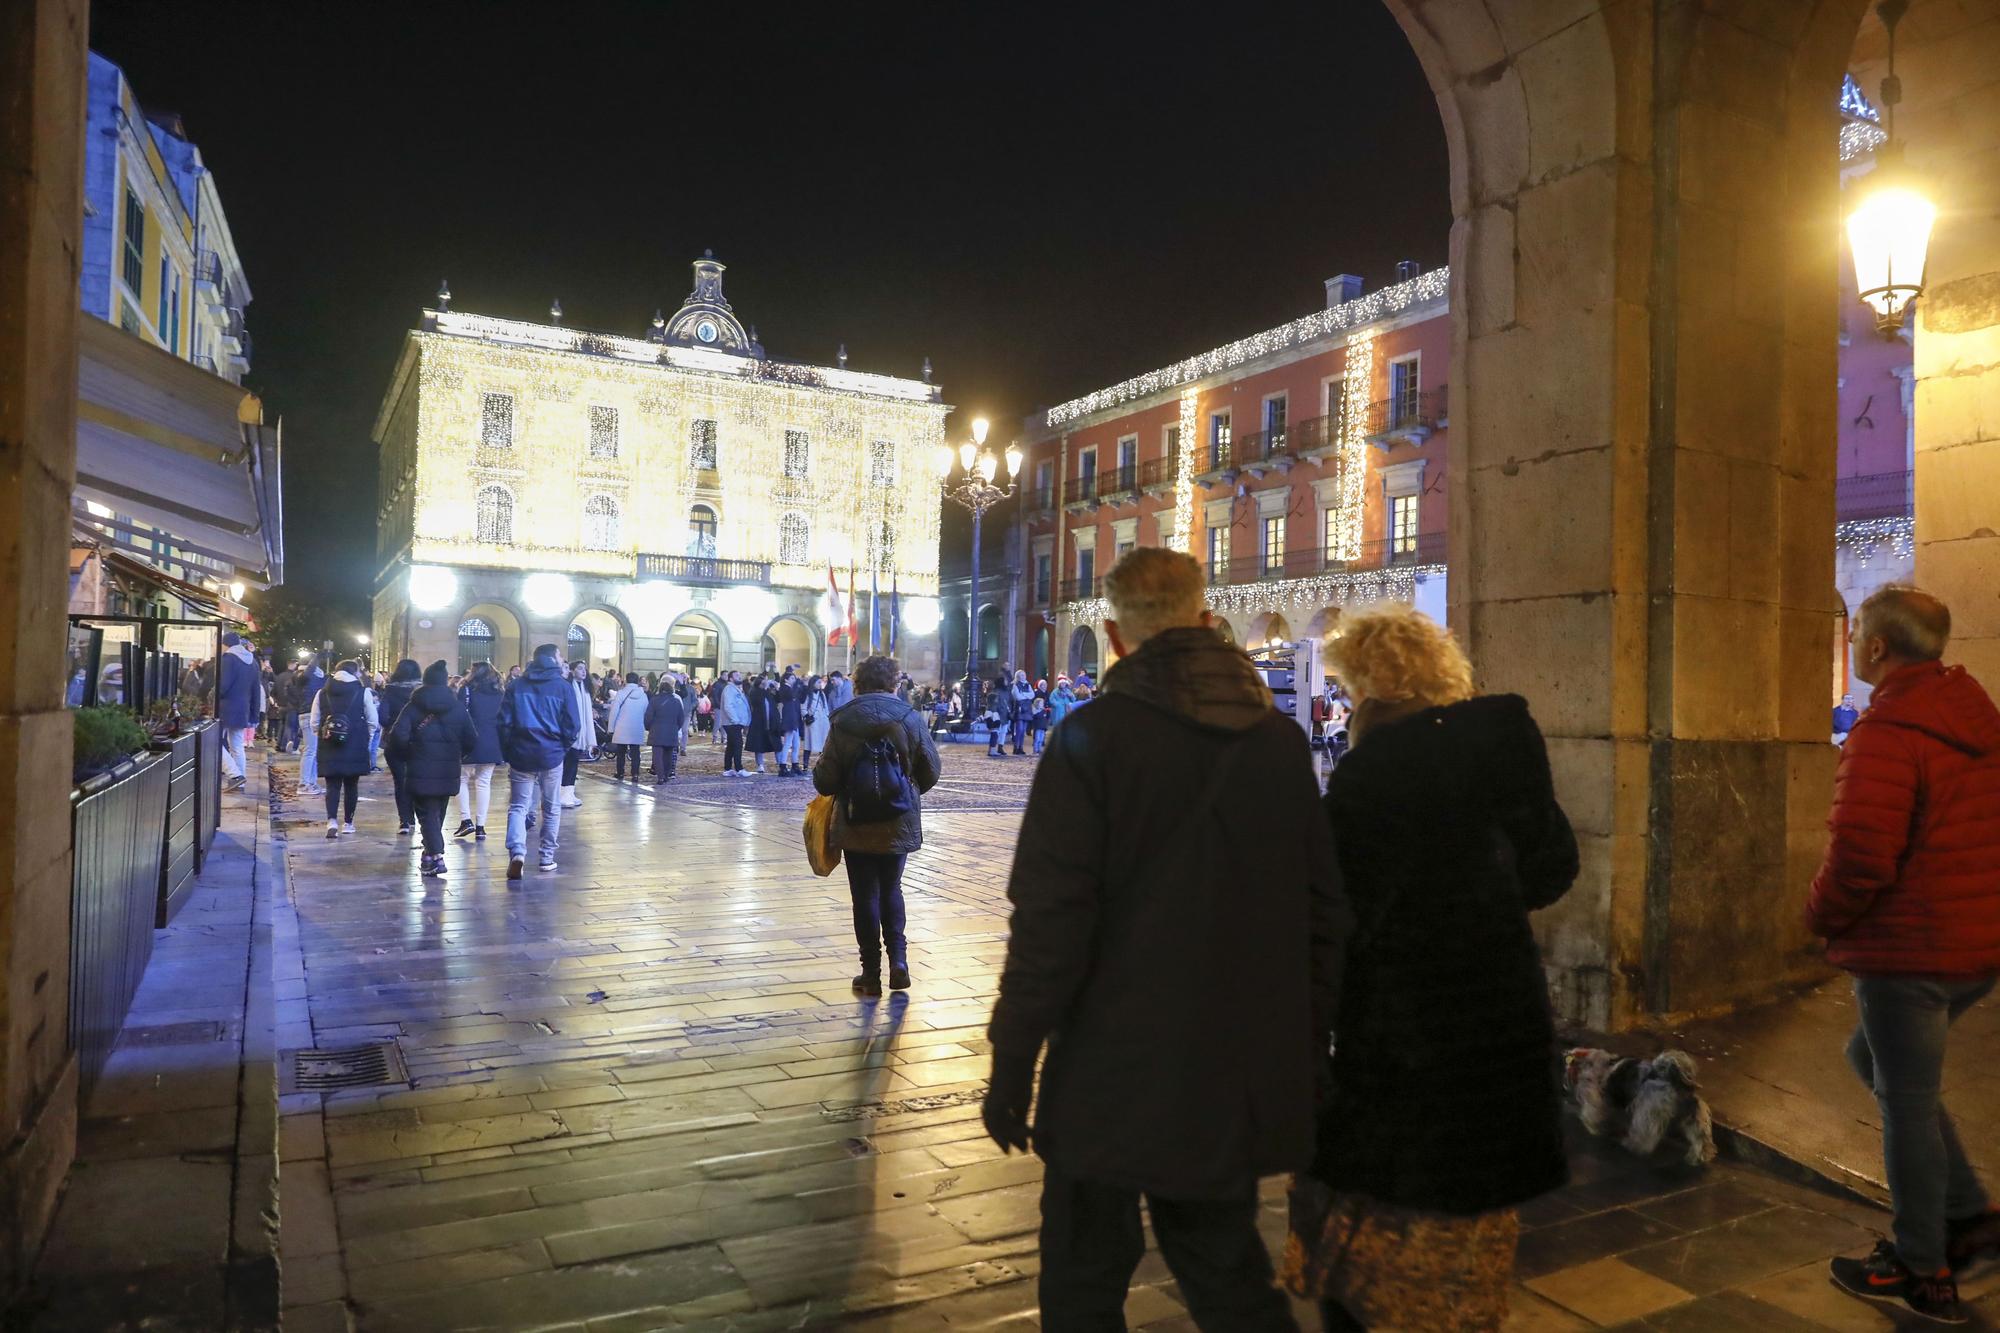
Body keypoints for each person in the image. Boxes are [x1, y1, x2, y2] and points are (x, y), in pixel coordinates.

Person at [983, 548, 1349, 1331]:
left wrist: (1014, 1060)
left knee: (1083, 1278)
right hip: (1230, 1067)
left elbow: (1049, 920)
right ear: (1209, 620)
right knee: (1228, 1273)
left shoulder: (1090, 740)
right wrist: (1304, 1045)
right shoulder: (1281, 746)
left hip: (1107, 1068)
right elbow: (1324, 916)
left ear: (1115, 637)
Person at [1284, 604, 1575, 1333]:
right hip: (1502, 1022)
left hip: (1404, 1037)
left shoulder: (1366, 779)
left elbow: (1331, 923)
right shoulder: (1504, 745)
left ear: (1370, 687)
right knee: (1475, 1228)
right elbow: (1552, 868)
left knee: (1380, 1236)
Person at [1810, 586, 2000, 1323]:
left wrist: (1817, 914)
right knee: (1874, 1061)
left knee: (1907, 1107)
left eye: (1856, 632)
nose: (1853, 642)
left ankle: (1923, 1269)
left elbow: (1860, 855)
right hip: (1974, 946)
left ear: (1879, 648)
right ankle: (1967, 1213)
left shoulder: (1889, 729)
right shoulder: (1974, 717)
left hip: (1911, 950)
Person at [812, 654, 940, 997]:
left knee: (864, 894)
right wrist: (905, 790)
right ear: (893, 682)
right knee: (891, 888)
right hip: (898, 818)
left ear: (858, 683)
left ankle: (870, 974)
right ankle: (899, 961)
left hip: (856, 820)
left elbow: (825, 780)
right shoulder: (909, 717)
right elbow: (931, 770)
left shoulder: (844, 719)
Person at [387, 660, 476, 877]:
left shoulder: (413, 706)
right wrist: (457, 754)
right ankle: (428, 857)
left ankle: (437, 855)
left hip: (420, 766)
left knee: (426, 814)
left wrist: (408, 754)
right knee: (436, 813)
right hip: (448, 769)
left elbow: (397, 735)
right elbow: (471, 738)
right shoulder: (456, 706)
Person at [499, 643, 580, 879]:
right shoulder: (562, 687)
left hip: (521, 752)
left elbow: (503, 722)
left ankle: (517, 852)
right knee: (551, 806)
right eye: (560, 655)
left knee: (518, 806)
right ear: (553, 659)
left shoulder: (516, 685)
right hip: (551, 753)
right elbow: (573, 724)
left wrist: (508, 750)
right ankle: (546, 858)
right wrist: (562, 747)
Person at [307, 659, 376, 838]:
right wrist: (366, 739)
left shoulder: (322, 692)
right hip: (355, 742)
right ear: (353, 673)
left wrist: (322, 735)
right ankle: (348, 822)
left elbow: (314, 721)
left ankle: (331, 821)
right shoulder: (363, 692)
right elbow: (372, 720)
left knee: (332, 785)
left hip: (329, 742)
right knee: (352, 785)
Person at [454, 661, 504, 840]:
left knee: (461, 780)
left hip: (470, 740)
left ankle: (465, 820)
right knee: (484, 783)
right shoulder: (499, 692)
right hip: (492, 741)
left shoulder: (466, 690)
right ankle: (481, 826)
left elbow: (458, 715)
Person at [379, 659, 422, 835]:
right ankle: (417, 817)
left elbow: (382, 716)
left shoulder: (390, 690)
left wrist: (392, 725)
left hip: (394, 738)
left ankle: (404, 820)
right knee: (417, 778)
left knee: (400, 781)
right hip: (419, 740)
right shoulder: (421, 691)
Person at [216, 631, 262, 790]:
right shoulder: (253, 662)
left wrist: (211, 696)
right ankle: (239, 783)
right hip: (243, 710)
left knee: (214, 743)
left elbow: (222, 686)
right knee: (237, 745)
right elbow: (257, 690)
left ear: (225, 644)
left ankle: (235, 775)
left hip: (225, 708)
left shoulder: (228, 659)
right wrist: (255, 715)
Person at [605, 671, 650, 781]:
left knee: (621, 752)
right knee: (635, 752)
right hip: (637, 726)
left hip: (622, 726)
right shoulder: (643, 695)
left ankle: (620, 773)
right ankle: (635, 774)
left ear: (626, 680)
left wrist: (611, 728)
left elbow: (614, 711)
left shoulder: (621, 693)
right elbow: (646, 711)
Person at [561, 660, 593, 808]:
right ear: (573, 671)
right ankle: (563, 794)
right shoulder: (569, 687)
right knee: (568, 763)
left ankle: (569, 792)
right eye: (580, 668)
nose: (583, 671)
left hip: (581, 732)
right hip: (570, 731)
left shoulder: (584, 689)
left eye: (585, 669)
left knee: (573, 763)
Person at [645, 677, 686, 783]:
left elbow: (648, 716)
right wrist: (676, 728)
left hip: (657, 731)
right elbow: (681, 718)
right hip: (671, 731)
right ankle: (666, 775)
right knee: (668, 755)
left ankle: (660, 777)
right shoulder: (676, 701)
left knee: (657, 755)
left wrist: (649, 727)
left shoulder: (654, 700)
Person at [297, 654, 327, 795]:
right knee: (310, 751)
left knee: (313, 751)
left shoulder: (311, 677)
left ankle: (311, 783)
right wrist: (316, 657)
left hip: (311, 714)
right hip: (309, 714)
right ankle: (303, 784)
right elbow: (310, 669)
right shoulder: (304, 676)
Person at [746, 674, 781, 775]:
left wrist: (777, 689)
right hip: (759, 722)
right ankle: (760, 765)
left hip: (772, 722)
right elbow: (756, 700)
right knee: (759, 744)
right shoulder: (754, 692)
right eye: (763, 682)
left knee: (777, 744)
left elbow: (778, 699)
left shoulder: (768, 692)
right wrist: (765, 688)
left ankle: (780, 763)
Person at [718, 671, 750, 775]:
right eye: (736, 675)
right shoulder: (729, 690)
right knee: (738, 744)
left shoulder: (736, 689)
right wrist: (735, 719)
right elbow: (728, 706)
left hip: (735, 722)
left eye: (740, 674)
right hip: (732, 722)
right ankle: (739, 769)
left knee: (732, 745)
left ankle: (728, 769)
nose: (739, 676)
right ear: (731, 679)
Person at [777, 669, 806, 776]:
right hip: (789, 718)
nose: (794, 679)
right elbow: (792, 696)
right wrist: (797, 684)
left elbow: (801, 699)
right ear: (786, 680)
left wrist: (805, 687)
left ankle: (795, 765)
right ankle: (783, 766)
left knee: (796, 744)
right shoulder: (784, 688)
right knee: (787, 743)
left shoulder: (792, 688)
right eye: (792, 678)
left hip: (795, 718)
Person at [802, 674, 831, 771]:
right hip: (812, 722)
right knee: (808, 744)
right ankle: (805, 765)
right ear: (813, 683)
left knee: (823, 744)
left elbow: (825, 707)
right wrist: (806, 716)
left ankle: (823, 764)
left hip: (822, 722)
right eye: (818, 682)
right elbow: (803, 707)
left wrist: (827, 717)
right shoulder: (808, 694)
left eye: (821, 682)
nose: (820, 684)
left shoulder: (822, 694)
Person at [1008, 668, 1035, 755]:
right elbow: (1017, 697)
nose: (1023, 677)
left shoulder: (1028, 685)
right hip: (1019, 709)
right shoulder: (1015, 685)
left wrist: (1023, 694)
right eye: (1021, 675)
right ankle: (1016, 747)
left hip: (1027, 709)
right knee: (1019, 729)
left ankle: (1021, 747)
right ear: (1018, 676)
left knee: (1023, 731)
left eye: (1024, 675)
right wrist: (1026, 695)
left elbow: (1032, 695)